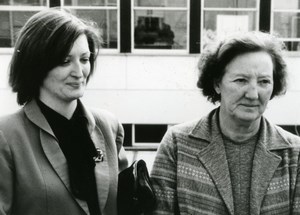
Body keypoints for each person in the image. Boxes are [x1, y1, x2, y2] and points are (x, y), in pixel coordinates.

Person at [150, 31, 300, 215]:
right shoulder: (177, 143)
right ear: (217, 83)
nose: (253, 94)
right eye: (241, 80)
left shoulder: (294, 153)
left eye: (264, 81)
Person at [0, 8, 128, 215]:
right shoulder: (6, 135)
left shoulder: (108, 126)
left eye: (85, 59)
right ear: (36, 65)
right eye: (65, 61)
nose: (79, 73)